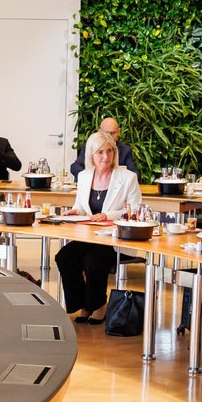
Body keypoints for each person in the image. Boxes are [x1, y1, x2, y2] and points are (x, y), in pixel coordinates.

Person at [53, 133, 140, 324]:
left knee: (92, 260)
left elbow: (134, 211)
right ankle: (84, 303)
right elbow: (81, 206)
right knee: (64, 257)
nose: (106, 156)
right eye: (100, 152)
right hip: (90, 236)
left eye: (110, 151)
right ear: (91, 155)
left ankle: (99, 304)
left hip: (116, 239)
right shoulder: (84, 176)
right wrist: (75, 211)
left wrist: (108, 215)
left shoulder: (128, 177)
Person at [69, 117, 136, 176]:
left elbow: (134, 174)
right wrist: (90, 178)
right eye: (106, 133)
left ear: (118, 132)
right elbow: (75, 167)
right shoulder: (91, 146)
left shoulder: (125, 150)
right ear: (99, 132)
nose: (109, 136)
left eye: (112, 133)